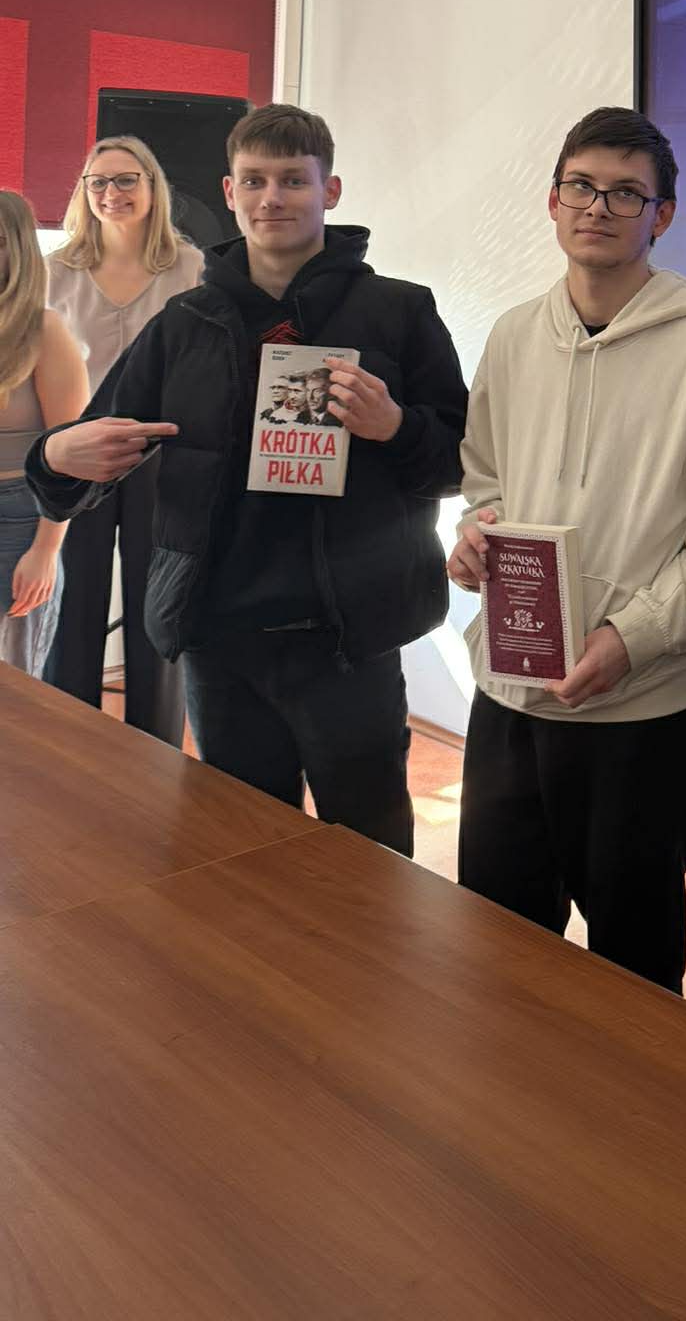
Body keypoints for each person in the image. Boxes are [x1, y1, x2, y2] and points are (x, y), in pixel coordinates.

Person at [28, 105, 469, 855]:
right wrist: (54, 458)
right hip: (220, 638)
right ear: (230, 192)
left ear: (330, 191)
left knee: (370, 861)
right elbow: (90, 452)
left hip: (350, 640)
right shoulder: (185, 323)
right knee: (236, 858)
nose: (273, 198)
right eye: (256, 181)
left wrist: (396, 426)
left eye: (293, 180)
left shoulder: (398, 312)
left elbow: (460, 460)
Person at [448, 106, 686, 992]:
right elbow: (485, 479)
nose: (599, 207)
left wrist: (634, 637)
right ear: (553, 200)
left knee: (635, 968)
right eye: (581, 186)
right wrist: (477, 536)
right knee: (498, 954)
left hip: (640, 713)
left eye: (627, 193)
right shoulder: (514, 334)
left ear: (662, 216)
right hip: (510, 699)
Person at [44, 135, 202, 742]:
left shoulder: (191, 268)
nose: (112, 193)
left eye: (127, 179)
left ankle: (153, 754)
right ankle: (71, 747)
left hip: (162, 459)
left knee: (157, 605)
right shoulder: (55, 272)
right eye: (99, 182)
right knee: (72, 608)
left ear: (153, 187)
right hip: (75, 458)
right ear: (84, 192)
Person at [0, 193, 90, 676]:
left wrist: (46, 551)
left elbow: (71, 458)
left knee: (13, 692)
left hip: (17, 520)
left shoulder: (43, 329)